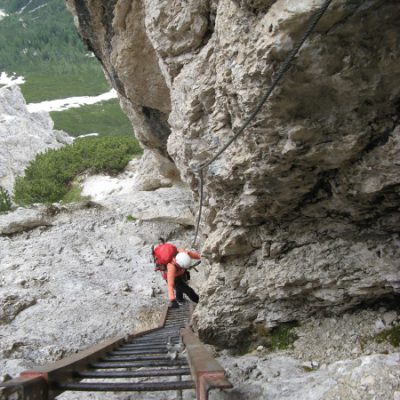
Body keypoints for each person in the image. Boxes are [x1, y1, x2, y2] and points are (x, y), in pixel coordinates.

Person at [152, 240, 200, 308]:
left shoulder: (183, 254)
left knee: (180, 286)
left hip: (179, 273)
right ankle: (199, 301)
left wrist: (202, 256)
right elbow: (170, 284)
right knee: (188, 290)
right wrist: (172, 300)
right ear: (178, 264)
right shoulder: (171, 267)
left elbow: (193, 255)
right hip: (172, 277)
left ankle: (180, 299)